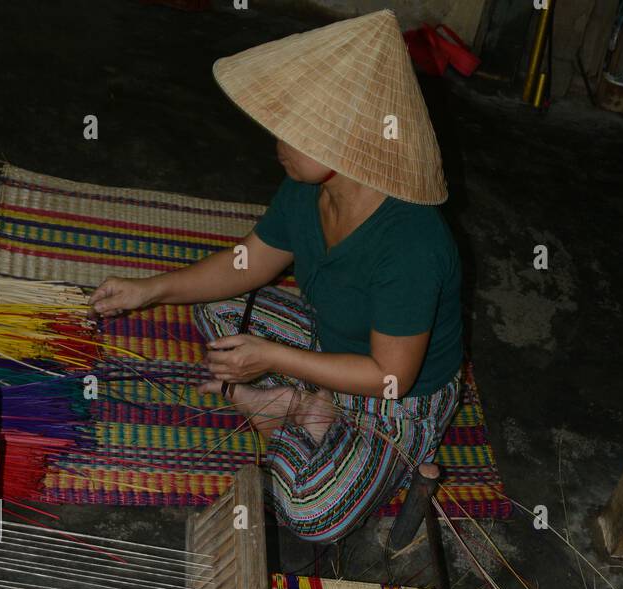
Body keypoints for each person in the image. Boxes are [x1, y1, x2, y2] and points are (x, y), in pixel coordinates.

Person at [89, 11, 463, 543]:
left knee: (311, 513)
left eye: (295, 130)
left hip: (397, 398)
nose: (277, 139)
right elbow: (250, 263)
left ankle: (287, 413)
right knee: (214, 308)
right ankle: (301, 407)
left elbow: (390, 377)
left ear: (347, 140)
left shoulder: (411, 244)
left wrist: (272, 359)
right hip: (328, 340)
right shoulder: (309, 188)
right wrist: (151, 289)